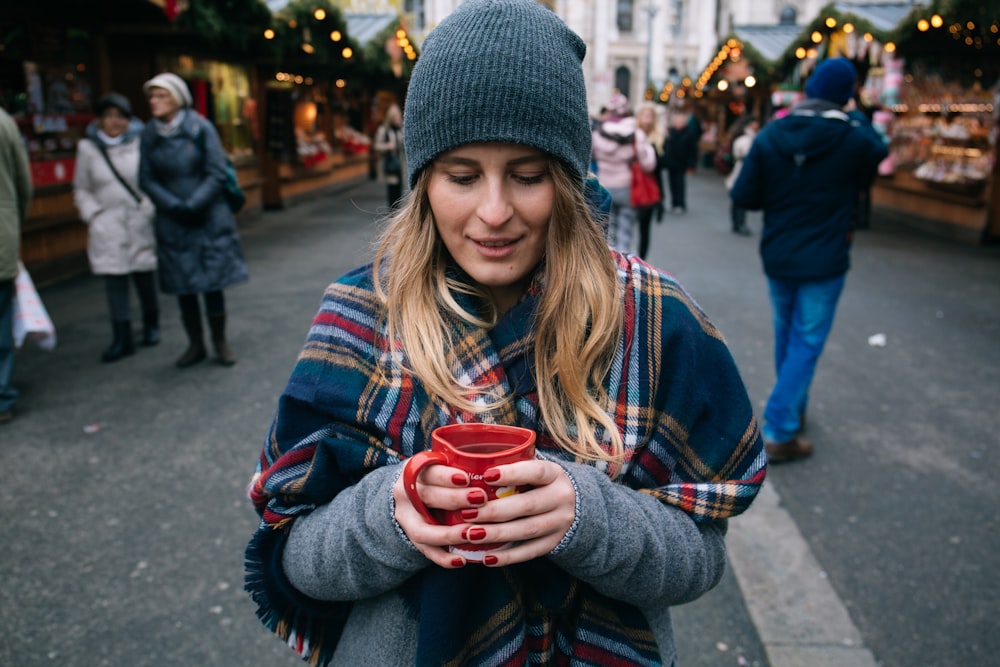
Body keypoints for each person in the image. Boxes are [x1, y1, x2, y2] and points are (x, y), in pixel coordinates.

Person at [244, 1, 766, 665]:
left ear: (570, 182)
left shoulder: (655, 317)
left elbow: (697, 560)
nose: (494, 212)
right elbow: (294, 559)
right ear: (422, 180)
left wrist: (587, 515)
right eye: (462, 176)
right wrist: (393, 513)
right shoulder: (361, 313)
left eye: (528, 175)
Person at [730, 57, 888, 463]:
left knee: (789, 335)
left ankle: (793, 408)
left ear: (809, 89)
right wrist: (856, 114)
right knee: (807, 340)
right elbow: (880, 155)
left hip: (780, 251)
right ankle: (781, 427)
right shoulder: (854, 137)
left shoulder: (773, 133)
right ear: (847, 94)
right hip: (826, 255)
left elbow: (744, 195)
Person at [139, 73, 248, 368]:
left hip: (207, 216)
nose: (154, 102)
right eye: (152, 96)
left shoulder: (200, 127)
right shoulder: (150, 133)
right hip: (172, 219)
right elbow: (146, 177)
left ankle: (220, 341)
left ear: (177, 98)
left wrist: (194, 203)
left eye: (161, 96)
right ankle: (195, 344)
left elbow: (216, 171)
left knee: (212, 281)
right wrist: (173, 204)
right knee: (183, 283)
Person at [73, 92, 160, 363]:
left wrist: (149, 207)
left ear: (128, 119)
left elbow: (152, 179)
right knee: (115, 282)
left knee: (144, 276)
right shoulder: (87, 149)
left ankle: (151, 324)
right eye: (108, 116)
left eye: (119, 116)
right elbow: (81, 188)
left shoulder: (141, 142)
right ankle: (121, 336)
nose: (114, 122)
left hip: (138, 219)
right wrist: (93, 214)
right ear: (99, 120)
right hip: (107, 224)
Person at [591, 91, 657, 252]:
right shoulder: (636, 133)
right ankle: (626, 269)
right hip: (628, 188)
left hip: (605, 186)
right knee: (626, 232)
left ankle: (610, 268)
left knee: (608, 233)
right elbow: (649, 165)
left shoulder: (597, 133)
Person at [0, 105, 32, 423]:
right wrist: (12, 225)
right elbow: (24, 184)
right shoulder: (4, 122)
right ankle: (1, 396)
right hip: (1, 237)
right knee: (0, 322)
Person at [634, 103, 665, 259]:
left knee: (644, 230)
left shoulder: (658, 139)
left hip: (649, 191)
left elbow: (659, 172)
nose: (647, 120)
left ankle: (641, 261)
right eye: (645, 116)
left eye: (650, 116)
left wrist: (661, 199)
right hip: (631, 188)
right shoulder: (630, 136)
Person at [724, 115, 759, 236]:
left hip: (739, 168)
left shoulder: (745, 137)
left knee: (737, 196)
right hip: (742, 169)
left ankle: (737, 223)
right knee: (740, 195)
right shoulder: (746, 139)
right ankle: (740, 223)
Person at [661, 110, 698, 213]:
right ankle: (674, 203)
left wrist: (691, 164)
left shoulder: (689, 133)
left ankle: (680, 203)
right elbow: (665, 147)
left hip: (682, 163)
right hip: (671, 162)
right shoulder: (670, 132)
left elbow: (692, 150)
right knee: (672, 184)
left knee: (680, 184)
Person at [373, 103, 407, 210]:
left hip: (401, 164)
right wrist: (387, 146)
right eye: (396, 117)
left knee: (400, 188)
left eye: (399, 117)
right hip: (390, 164)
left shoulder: (401, 130)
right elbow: (376, 146)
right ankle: (392, 210)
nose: (398, 119)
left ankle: (396, 210)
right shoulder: (384, 130)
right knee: (392, 188)